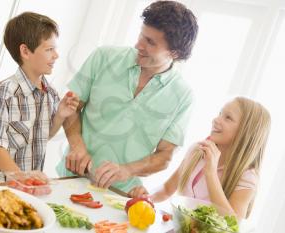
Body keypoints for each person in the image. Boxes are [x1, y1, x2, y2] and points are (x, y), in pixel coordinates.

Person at [56, 0, 199, 192]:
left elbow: (165, 155)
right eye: (142, 35)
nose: (138, 45)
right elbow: (71, 108)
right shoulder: (103, 57)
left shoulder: (182, 96)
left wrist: (127, 170)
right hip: (70, 178)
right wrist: (76, 145)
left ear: (174, 52)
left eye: (150, 42)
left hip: (120, 196)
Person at [0, 12, 79, 185]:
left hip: (22, 184)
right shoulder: (4, 92)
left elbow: (43, 136)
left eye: (55, 49)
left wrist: (60, 115)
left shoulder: (50, 93)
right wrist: (21, 177)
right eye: (49, 49)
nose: (56, 55)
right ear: (25, 51)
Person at [129, 97, 271, 219]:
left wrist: (211, 172)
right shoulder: (197, 151)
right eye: (220, 113)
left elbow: (232, 224)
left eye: (228, 117)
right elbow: (167, 189)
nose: (216, 120)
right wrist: (148, 197)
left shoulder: (247, 177)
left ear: (246, 133)